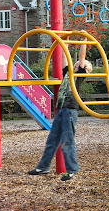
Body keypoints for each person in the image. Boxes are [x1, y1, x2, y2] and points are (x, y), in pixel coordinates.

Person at [28, 30, 92, 181]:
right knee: (52, 139)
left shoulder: (79, 75)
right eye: (75, 63)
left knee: (67, 140)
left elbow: (82, 56)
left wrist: (83, 38)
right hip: (61, 109)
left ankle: (72, 169)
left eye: (79, 64)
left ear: (85, 69)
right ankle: (43, 167)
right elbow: (64, 56)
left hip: (70, 110)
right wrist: (65, 41)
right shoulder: (67, 73)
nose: (76, 64)